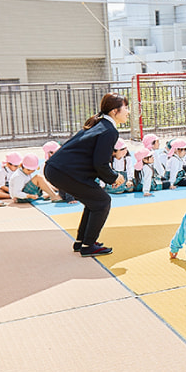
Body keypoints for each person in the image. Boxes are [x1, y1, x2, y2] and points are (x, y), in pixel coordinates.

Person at [44, 92, 127, 256]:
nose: (128, 111)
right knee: (103, 201)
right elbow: (100, 163)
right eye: (126, 107)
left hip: (57, 170)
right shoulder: (109, 130)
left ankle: (82, 241)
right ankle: (88, 246)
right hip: (65, 172)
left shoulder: (100, 124)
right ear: (114, 111)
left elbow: (96, 161)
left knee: (94, 202)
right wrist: (115, 177)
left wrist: (110, 177)